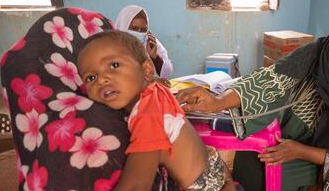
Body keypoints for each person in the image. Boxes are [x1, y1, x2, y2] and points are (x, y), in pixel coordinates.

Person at [177, 7, 329, 190]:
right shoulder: (320, 52)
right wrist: (217, 102)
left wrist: (300, 151)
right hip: (283, 135)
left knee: (273, 175)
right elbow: (270, 79)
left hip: (321, 158)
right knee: (249, 156)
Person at [77, 30, 234, 190]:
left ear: (146, 70)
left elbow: (137, 185)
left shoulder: (148, 115)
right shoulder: (155, 91)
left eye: (114, 65)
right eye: (91, 77)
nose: (102, 79)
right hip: (218, 173)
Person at [115, 5, 173, 79]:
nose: (139, 33)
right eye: (134, 28)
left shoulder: (149, 42)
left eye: (143, 30)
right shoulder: (111, 46)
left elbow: (167, 74)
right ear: (123, 25)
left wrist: (155, 57)